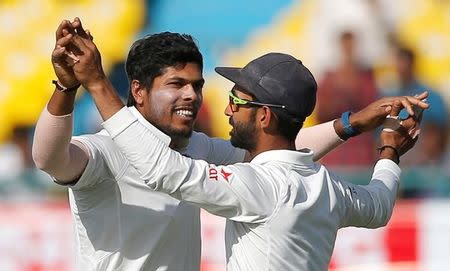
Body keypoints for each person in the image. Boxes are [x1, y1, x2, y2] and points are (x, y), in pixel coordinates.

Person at [32, 18, 428, 271]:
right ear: (137, 90)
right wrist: (356, 128)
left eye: (197, 86)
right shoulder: (110, 148)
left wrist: (98, 84)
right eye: (177, 84)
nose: (195, 97)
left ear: (263, 115)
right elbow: (47, 158)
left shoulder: (218, 161)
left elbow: (169, 169)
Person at [316, 30, 380, 166]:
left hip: (362, 151)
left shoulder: (367, 77)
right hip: (335, 149)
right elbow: (320, 114)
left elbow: (374, 111)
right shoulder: (329, 79)